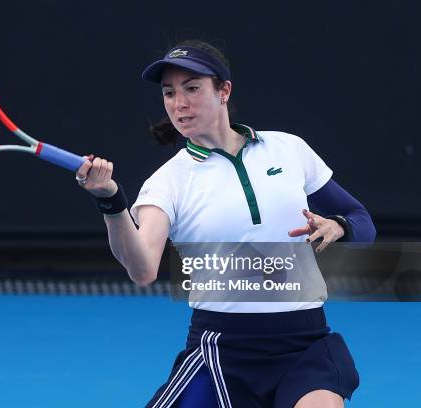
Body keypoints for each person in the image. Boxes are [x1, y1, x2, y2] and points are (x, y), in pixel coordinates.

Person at [74, 39, 376, 408]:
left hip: (304, 342)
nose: (178, 103)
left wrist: (338, 226)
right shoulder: (167, 182)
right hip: (222, 350)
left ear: (224, 91)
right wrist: (110, 200)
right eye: (169, 93)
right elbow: (143, 269)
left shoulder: (288, 149)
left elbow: (363, 222)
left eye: (192, 88)